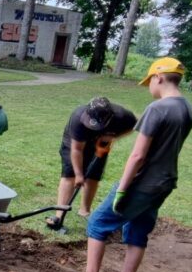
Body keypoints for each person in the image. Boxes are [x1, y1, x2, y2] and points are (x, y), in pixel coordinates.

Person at [63, 57, 192, 272]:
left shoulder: (158, 109)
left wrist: (123, 188)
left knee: (98, 223)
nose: (150, 88)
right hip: (164, 182)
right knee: (137, 232)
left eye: (150, 83)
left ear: (159, 77)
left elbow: (138, 155)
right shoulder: (187, 109)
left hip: (142, 182)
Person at [45, 97, 137, 230]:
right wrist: (78, 174)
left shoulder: (121, 115)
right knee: (69, 175)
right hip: (75, 142)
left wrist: (113, 137)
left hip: (101, 143)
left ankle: (84, 211)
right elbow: (76, 149)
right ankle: (59, 216)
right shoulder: (78, 118)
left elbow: (133, 126)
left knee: (93, 176)